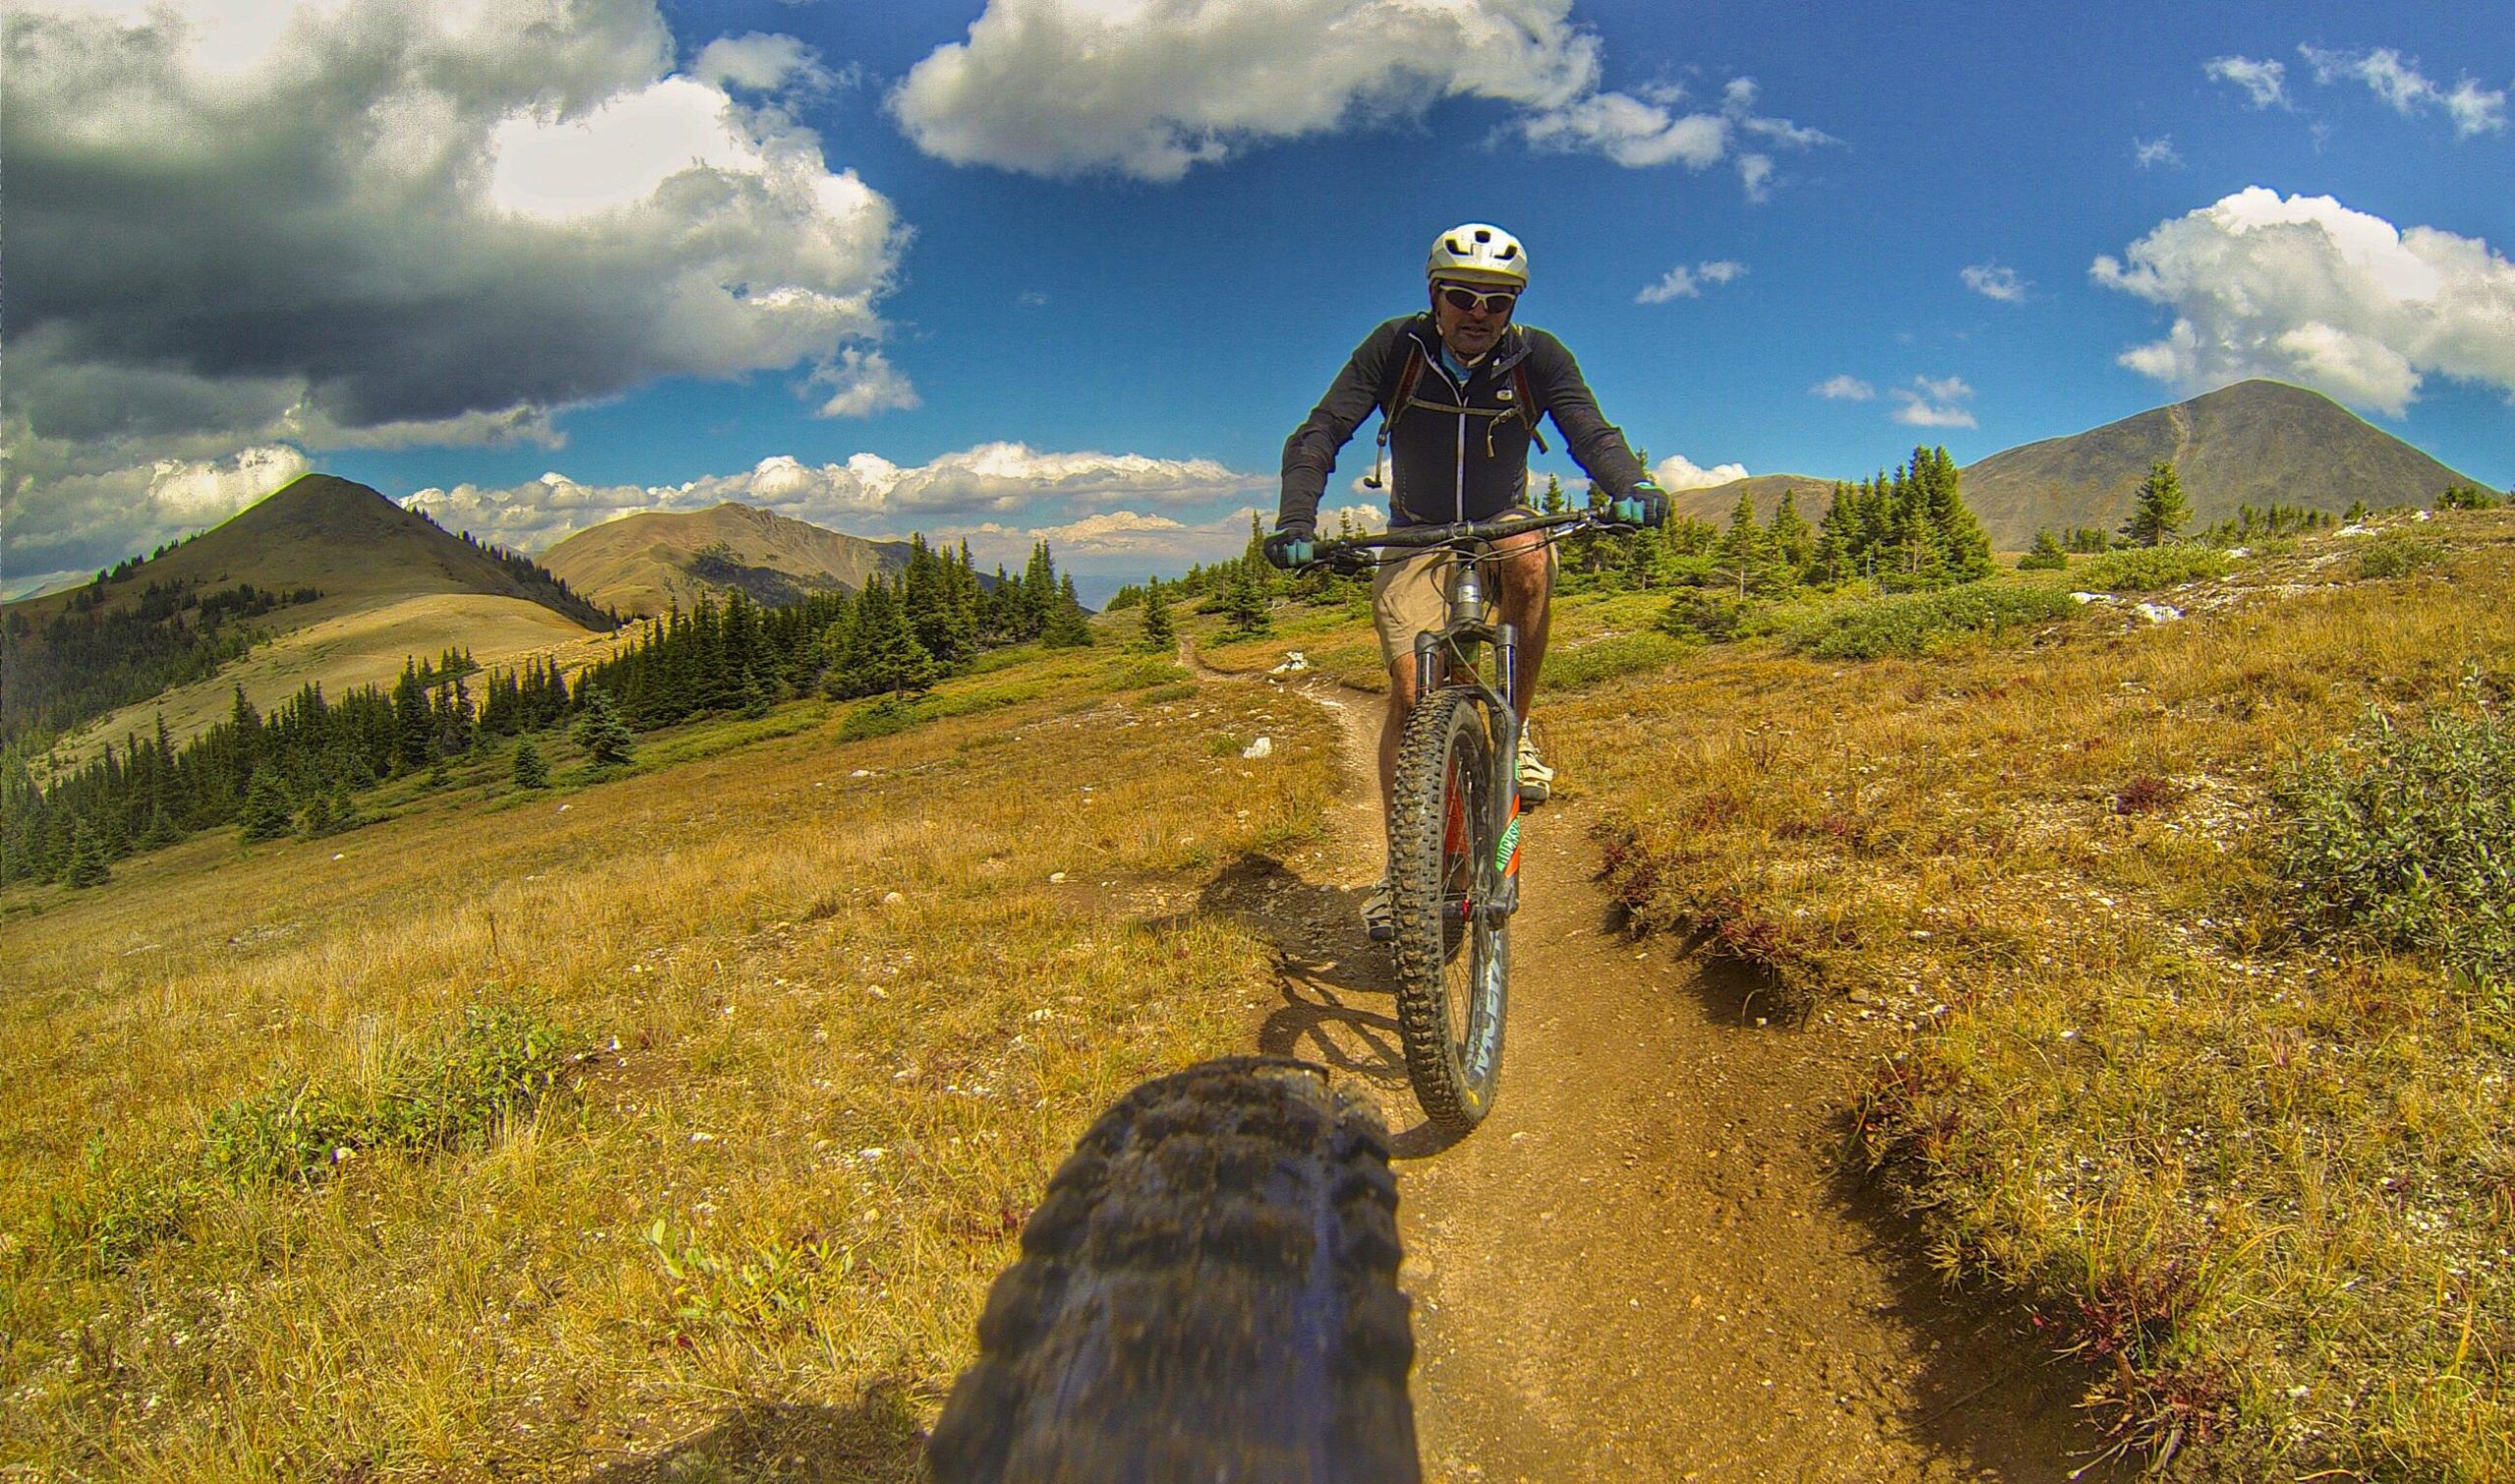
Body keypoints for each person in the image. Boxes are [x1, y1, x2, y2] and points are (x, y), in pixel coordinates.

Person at [1264, 223, 1668, 940]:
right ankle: (1411, 870)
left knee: (1529, 551)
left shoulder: (1536, 357)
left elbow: (1591, 432)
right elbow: (1322, 430)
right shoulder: (1397, 348)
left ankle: (1516, 724)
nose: (1478, 313)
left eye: (1497, 301)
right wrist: (1297, 520)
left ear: (1513, 307)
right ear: (1434, 295)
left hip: (1499, 518)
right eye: (1462, 296)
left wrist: (1630, 484)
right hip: (1414, 530)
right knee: (1418, 697)